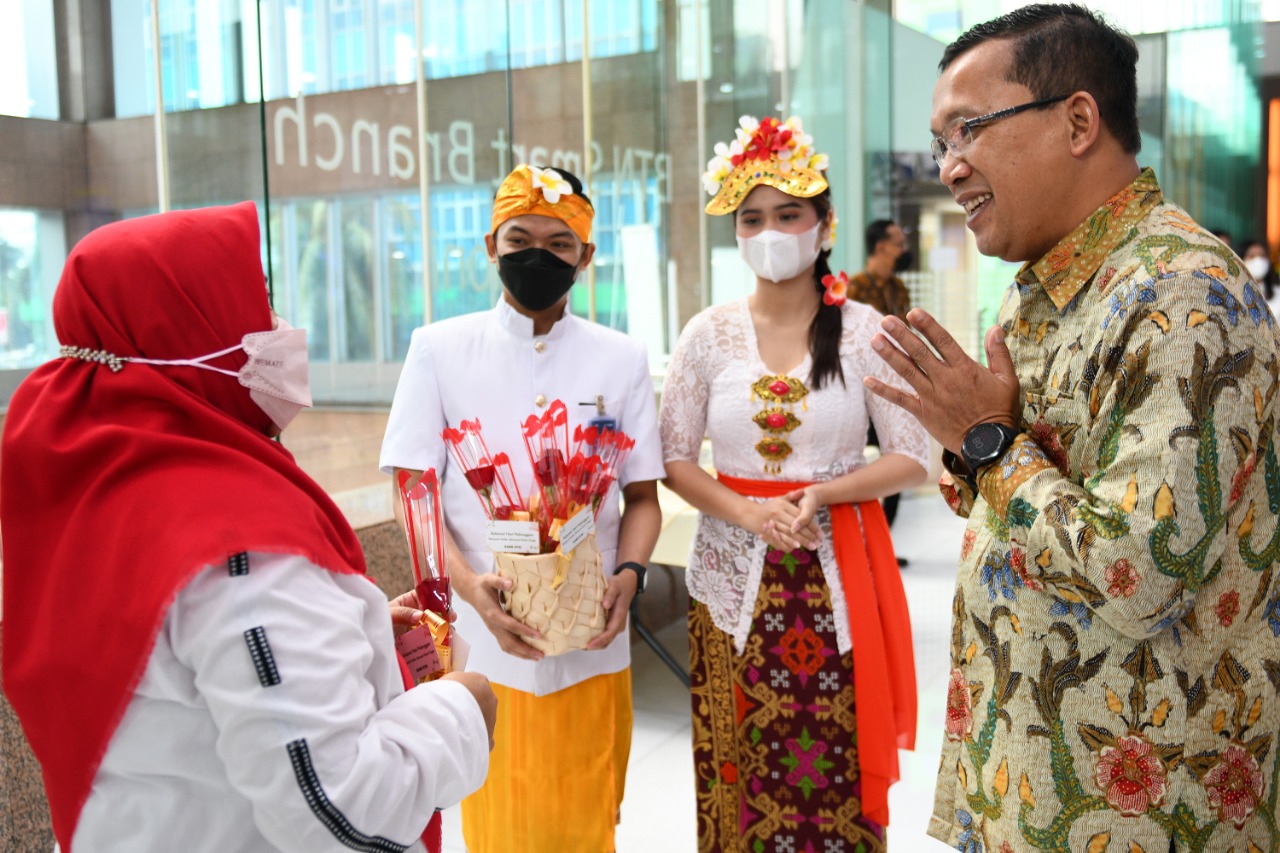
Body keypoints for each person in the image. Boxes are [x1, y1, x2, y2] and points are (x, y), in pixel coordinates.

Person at [865, 5, 1280, 851]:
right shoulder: (1043, 289)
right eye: (941, 140)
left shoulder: (1182, 293)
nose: (949, 166)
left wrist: (988, 441)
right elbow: (1009, 508)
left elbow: (1137, 571)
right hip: (1033, 774)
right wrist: (979, 446)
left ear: (1079, 119)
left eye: (968, 129)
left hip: (1146, 805)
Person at [0, 202, 496, 853]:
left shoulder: (101, 492)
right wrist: (463, 707)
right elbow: (341, 811)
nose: (279, 329)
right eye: (257, 304)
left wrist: (356, 638)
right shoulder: (237, 540)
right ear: (191, 329)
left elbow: (184, 693)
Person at [662, 116, 929, 853]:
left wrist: (826, 492)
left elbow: (914, 456)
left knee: (836, 760)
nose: (771, 231)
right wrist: (747, 511)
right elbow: (676, 457)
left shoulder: (865, 330)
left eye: (789, 214)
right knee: (737, 761)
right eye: (753, 218)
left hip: (839, 571)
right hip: (728, 577)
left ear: (824, 224)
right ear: (735, 232)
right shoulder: (706, 335)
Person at [379, 164, 664, 853]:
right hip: (485, 647)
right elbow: (411, 491)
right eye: (520, 238)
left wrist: (630, 573)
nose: (538, 256)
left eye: (560, 244)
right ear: (490, 246)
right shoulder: (438, 350)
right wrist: (468, 590)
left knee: (589, 817)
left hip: (592, 640)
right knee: (497, 818)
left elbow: (644, 497)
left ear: (586, 257)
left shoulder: (621, 358)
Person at [849, 218, 914, 536]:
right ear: (881, 246)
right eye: (898, 243)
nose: (903, 249)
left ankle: (884, 539)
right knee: (864, 461)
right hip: (860, 389)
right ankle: (864, 535)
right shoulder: (855, 288)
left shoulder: (899, 288)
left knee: (897, 458)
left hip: (894, 386)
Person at [1239, 238, 1278, 306]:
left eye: (1262, 255)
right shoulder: (1233, 294)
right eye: (1252, 256)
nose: (1258, 260)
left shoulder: (1278, 294)